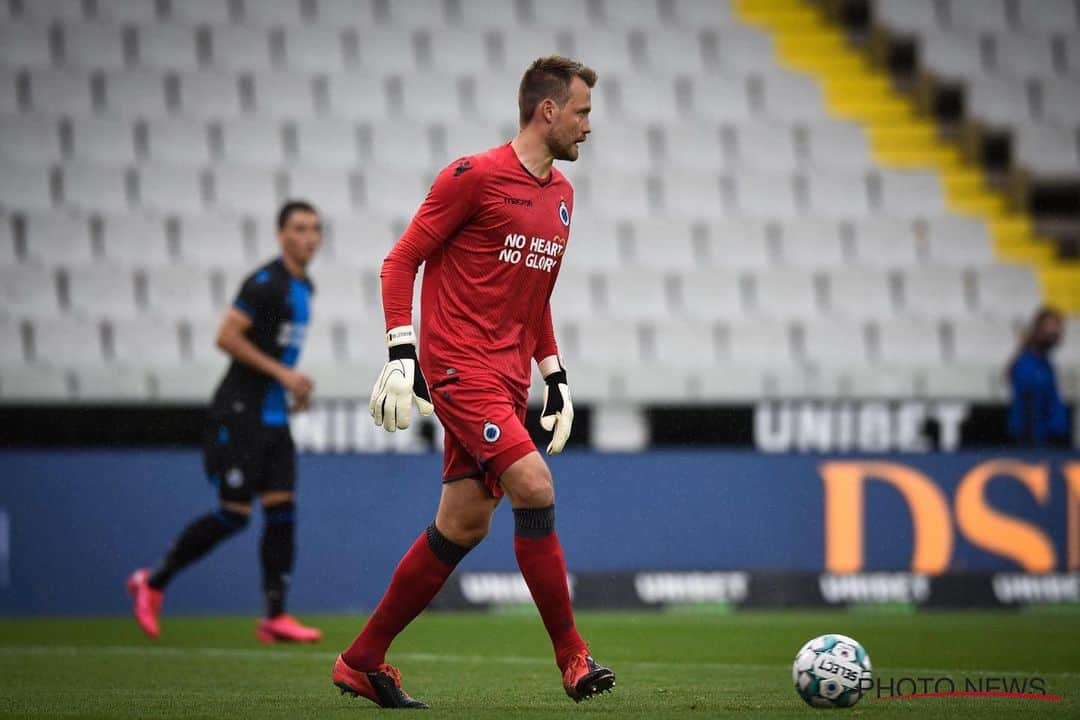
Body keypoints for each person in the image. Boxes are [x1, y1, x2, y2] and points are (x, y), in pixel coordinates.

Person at [332, 56, 614, 708]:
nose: (588, 128)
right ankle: (573, 657)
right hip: (459, 369)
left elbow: (534, 295)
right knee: (535, 484)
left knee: (462, 525)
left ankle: (361, 660)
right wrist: (403, 353)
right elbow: (401, 260)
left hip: (510, 379)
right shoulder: (473, 177)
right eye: (582, 112)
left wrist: (556, 375)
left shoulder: (563, 200)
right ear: (548, 111)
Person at [126, 201, 324, 643]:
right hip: (240, 415)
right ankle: (152, 581)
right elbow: (225, 336)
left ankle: (275, 616)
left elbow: (276, 354)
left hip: (273, 418)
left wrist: (291, 390)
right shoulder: (264, 283)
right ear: (280, 235)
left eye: (314, 229)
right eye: (299, 228)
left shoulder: (305, 287)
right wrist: (282, 375)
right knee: (234, 514)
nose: (309, 236)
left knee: (282, 512)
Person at [1007, 306, 1069, 445]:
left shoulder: (1045, 364)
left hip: (1050, 440)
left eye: (1058, 327)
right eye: (1051, 327)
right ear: (1038, 329)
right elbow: (1029, 409)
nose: (1056, 332)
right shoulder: (1028, 365)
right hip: (1035, 444)